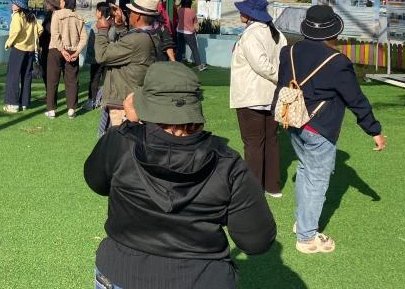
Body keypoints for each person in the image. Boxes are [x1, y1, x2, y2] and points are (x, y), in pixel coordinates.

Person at [84, 62, 276, 288]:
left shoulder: (120, 141)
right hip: (200, 278)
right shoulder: (227, 163)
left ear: (144, 103)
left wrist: (130, 123)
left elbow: (96, 182)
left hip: (120, 271)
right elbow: (256, 241)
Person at [273, 4, 386, 254]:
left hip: (292, 120)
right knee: (316, 179)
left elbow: (282, 86)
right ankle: (306, 237)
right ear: (333, 31)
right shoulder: (337, 61)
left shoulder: (288, 51)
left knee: (305, 171)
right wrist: (374, 130)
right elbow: (355, 99)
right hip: (320, 127)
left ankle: (303, 222)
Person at [229, 0, 287, 198]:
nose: (240, 12)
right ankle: (273, 186)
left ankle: (254, 189)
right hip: (272, 95)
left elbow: (261, 65)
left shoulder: (252, 34)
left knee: (253, 143)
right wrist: (281, 79)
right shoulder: (276, 33)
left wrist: (278, 76)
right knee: (271, 140)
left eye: (242, 10)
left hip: (252, 95)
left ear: (249, 14)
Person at [94, 0, 161, 129]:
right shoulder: (152, 34)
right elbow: (129, 47)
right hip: (134, 95)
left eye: (130, 12)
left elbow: (102, 56)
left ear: (138, 16)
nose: (128, 15)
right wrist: (120, 26)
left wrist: (102, 31)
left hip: (124, 102)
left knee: (121, 139)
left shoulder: (136, 39)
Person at [46, 0, 88, 119]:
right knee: (72, 80)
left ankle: (51, 110)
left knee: (52, 80)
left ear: (65, 2)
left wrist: (62, 49)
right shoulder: (79, 17)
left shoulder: (57, 14)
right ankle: (71, 109)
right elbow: (84, 38)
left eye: (61, 0)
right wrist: (77, 51)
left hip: (56, 50)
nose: (60, 2)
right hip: (72, 52)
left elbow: (54, 34)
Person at [3, 0, 42, 113]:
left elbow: (16, 31)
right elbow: (40, 29)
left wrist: (8, 43)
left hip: (19, 49)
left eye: (14, 3)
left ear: (19, 5)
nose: (12, 5)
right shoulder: (31, 15)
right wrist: (31, 39)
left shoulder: (17, 16)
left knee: (13, 76)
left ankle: (13, 103)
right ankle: (25, 103)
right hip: (30, 50)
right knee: (26, 75)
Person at [176, 0, 207, 71]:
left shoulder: (179, 10)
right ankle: (199, 66)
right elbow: (195, 22)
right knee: (194, 49)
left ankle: (177, 65)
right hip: (189, 33)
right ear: (190, 3)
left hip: (180, 31)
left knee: (180, 48)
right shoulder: (193, 11)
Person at [39, 0, 61, 88]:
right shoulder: (49, 14)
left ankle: (51, 93)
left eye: (48, 3)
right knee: (46, 70)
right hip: (46, 46)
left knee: (51, 72)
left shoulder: (56, 15)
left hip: (52, 47)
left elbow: (49, 30)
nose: (46, 5)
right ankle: (49, 92)